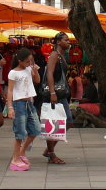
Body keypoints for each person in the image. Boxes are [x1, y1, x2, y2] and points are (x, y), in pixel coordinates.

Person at [6, 47, 41, 172]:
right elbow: (10, 90)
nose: (29, 63)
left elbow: (37, 81)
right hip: (18, 103)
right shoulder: (13, 72)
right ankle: (15, 158)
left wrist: (35, 70)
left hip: (29, 102)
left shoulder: (28, 69)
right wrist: (10, 107)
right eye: (27, 61)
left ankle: (21, 152)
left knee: (36, 129)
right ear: (20, 61)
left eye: (30, 61)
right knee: (20, 132)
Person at [42, 32, 72, 165]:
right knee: (55, 123)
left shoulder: (61, 55)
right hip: (56, 94)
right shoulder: (54, 55)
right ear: (58, 42)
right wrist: (52, 92)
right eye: (66, 40)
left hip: (61, 94)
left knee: (67, 122)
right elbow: (49, 73)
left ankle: (49, 150)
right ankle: (51, 153)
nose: (69, 42)